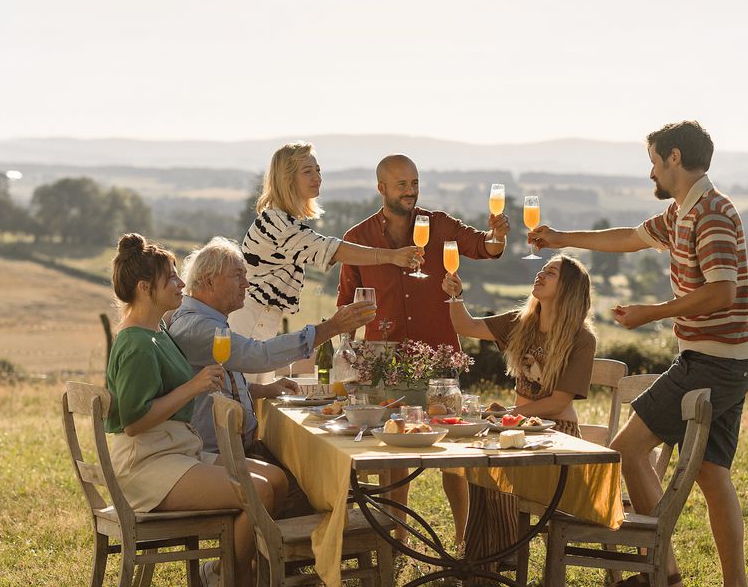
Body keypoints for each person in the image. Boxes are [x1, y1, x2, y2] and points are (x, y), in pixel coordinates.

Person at [528, 120, 748, 587]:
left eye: (653, 159)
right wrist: (560, 237)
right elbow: (627, 238)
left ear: (674, 158)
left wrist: (652, 313)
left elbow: (724, 291)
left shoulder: (712, 215)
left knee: (625, 451)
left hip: (711, 363)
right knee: (714, 477)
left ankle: (664, 571)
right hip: (727, 362)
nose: (650, 168)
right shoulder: (682, 212)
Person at [104, 233, 286, 587]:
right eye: (172, 279)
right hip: (147, 464)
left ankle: (228, 575)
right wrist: (193, 386)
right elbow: (134, 422)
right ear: (145, 288)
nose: (182, 286)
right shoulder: (136, 344)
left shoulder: (157, 332)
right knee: (258, 492)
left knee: (276, 479)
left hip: (173, 452)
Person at [337, 154, 511, 546]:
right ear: (381, 188)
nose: (410, 191)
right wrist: (349, 353)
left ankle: (464, 537)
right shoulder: (359, 239)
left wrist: (498, 235)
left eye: (414, 182)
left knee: (454, 453)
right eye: (401, 184)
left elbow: (485, 247)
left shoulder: (440, 225)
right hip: (386, 364)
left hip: (440, 357)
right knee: (395, 451)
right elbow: (345, 303)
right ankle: (397, 536)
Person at [167, 235, 378, 516]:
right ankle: (275, 555)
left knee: (310, 469)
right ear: (208, 281)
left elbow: (211, 383)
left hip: (230, 446)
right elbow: (259, 355)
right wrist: (331, 328)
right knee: (314, 488)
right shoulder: (200, 329)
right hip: (218, 454)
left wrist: (260, 391)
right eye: (238, 275)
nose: (246, 283)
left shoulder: (202, 320)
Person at [441, 255, 597, 562]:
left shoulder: (581, 337)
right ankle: (486, 555)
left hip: (556, 434)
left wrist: (507, 414)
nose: (540, 273)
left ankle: (500, 553)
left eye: (550, 273)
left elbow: (558, 402)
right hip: (517, 429)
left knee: (493, 467)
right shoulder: (521, 322)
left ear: (568, 288)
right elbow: (465, 326)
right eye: (543, 269)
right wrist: (455, 296)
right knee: (479, 463)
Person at [232, 141, 421, 383]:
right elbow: (331, 248)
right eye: (307, 171)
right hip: (249, 324)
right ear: (287, 179)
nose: (317, 177)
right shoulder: (275, 224)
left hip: (263, 326)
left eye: (318, 170)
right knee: (243, 402)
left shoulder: (283, 220)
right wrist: (390, 256)